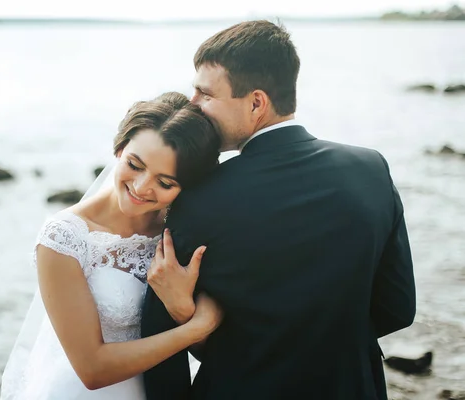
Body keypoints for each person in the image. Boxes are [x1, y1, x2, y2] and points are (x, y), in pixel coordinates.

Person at [141, 20, 416, 400]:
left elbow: (159, 344)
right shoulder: (371, 168)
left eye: (205, 94)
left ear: (256, 102)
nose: (192, 105)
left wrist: (190, 318)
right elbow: (398, 308)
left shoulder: (198, 197)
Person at [0, 92, 223, 400]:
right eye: (135, 164)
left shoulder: (182, 234)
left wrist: (183, 310)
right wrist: (195, 328)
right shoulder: (63, 238)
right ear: (120, 148)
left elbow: (213, 353)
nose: (142, 187)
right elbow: (92, 369)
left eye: (165, 182)